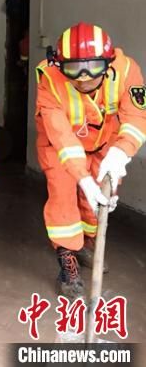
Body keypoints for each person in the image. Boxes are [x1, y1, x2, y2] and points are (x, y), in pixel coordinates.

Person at [35, 22, 146, 299]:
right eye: (74, 69)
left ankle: (84, 244)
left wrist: (122, 151)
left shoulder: (126, 70)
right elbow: (61, 134)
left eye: (92, 68)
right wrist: (82, 178)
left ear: (108, 63)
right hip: (59, 146)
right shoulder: (48, 79)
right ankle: (67, 259)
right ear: (59, 64)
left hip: (105, 145)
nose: (83, 78)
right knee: (63, 198)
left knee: (96, 203)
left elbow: (135, 117)